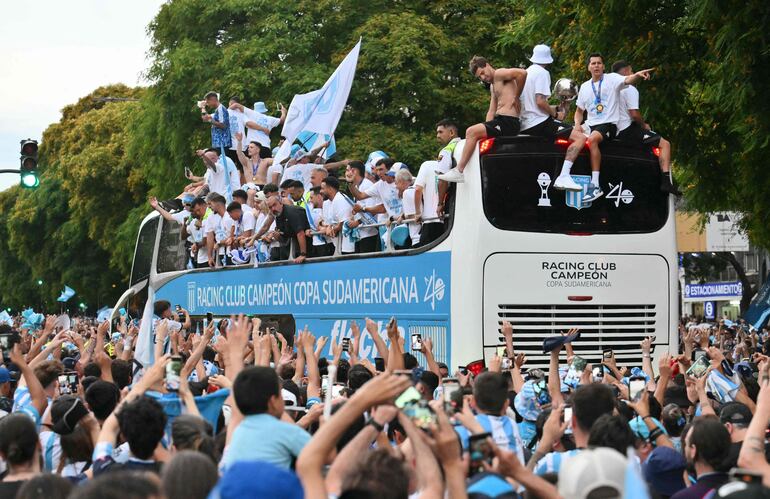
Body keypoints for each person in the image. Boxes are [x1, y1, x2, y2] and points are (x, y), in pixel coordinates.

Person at [573, 53, 655, 202]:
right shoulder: (585, 87)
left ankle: (595, 185)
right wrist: (577, 125)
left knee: (592, 141)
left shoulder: (611, 79)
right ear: (588, 67)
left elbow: (628, 79)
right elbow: (579, 112)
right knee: (569, 137)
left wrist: (637, 74)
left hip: (609, 124)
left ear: (603, 66)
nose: (596, 65)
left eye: (599, 63)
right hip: (590, 125)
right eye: (593, 63)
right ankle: (565, 175)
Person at [439, 56, 527, 183]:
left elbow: (522, 73)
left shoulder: (499, 74)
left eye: (482, 73)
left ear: (486, 65)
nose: (483, 78)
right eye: (479, 77)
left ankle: (459, 170)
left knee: (471, 131)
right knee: (475, 135)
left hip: (509, 121)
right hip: (500, 121)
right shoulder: (492, 86)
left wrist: (516, 96)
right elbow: (491, 110)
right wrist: (486, 126)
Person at [518, 44, 589, 192]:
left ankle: (559, 174)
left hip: (526, 123)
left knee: (561, 134)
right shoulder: (543, 73)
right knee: (580, 138)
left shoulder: (525, 73)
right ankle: (563, 176)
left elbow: (534, 103)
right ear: (548, 59)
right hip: (538, 122)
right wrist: (555, 114)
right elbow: (539, 101)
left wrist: (557, 108)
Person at [221, 366, 311, 470]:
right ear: (273, 401)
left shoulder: (236, 431)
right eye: (280, 396)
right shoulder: (285, 431)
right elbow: (325, 455)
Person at [611, 59, 680, 195]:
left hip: (611, 129)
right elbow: (634, 114)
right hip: (626, 129)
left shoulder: (609, 87)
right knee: (664, 144)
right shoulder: (630, 88)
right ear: (626, 71)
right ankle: (666, 182)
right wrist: (644, 125)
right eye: (631, 70)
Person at [414, 120, 459, 246]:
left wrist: (440, 203)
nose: (437, 135)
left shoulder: (446, 150)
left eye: (440, 132)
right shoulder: (464, 145)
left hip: (452, 203)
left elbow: (442, 179)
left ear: (451, 132)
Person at [672, 417, 732, 499]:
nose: (685, 448)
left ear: (693, 450)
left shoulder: (684, 497)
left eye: (686, 444)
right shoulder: (744, 491)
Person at [344, 161, 380, 253]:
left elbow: (372, 208)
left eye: (348, 170)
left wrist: (357, 222)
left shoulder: (367, 185)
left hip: (370, 233)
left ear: (354, 171)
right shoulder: (357, 186)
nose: (346, 173)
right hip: (361, 232)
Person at [266, 194, 310, 263]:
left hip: (307, 249)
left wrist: (303, 254)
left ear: (280, 203)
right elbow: (285, 238)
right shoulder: (278, 215)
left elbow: (300, 233)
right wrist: (277, 237)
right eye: (270, 207)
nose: (273, 209)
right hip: (291, 251)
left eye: (274, 205)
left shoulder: (291, 212)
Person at [319, 176, 355, 255]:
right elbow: (327, 222)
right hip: (336, 243)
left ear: (331, 189)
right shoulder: (326, 203)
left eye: (322, 188)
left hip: (348, 242)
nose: (320, 191)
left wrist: (332, 229)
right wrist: (328, 227)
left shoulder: (340, 199)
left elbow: (344, 221)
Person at [204, 193, 228, 267]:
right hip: (220, 251)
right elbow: (210, 238)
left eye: (209, 204)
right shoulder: (210, 217)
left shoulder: (229, 211)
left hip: (232, 249)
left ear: (216, 202)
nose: (208, 207)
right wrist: (210, 257)